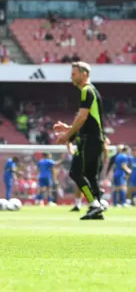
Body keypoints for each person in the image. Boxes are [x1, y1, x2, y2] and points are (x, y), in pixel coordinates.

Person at [55, 62, 107, 220]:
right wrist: (69, 128)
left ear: (84, 74)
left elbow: (82, 117)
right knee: (91, 176)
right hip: (95, 138)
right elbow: (88, 120)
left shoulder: (86, 90)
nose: (71, 77)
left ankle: (95, 205)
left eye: (74, 73)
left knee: (75, 172)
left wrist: (67, 135)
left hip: (89, 140)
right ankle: (96, 209)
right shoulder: (92, 91)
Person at [67, 136, 83, 212]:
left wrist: (69, 144)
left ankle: (95, 202)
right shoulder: (78, 151)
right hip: (80, 170)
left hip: (88, 170)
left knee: (84, 186)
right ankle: (78, 204)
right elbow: (71, 151)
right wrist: (69, 144)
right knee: (79, 186)